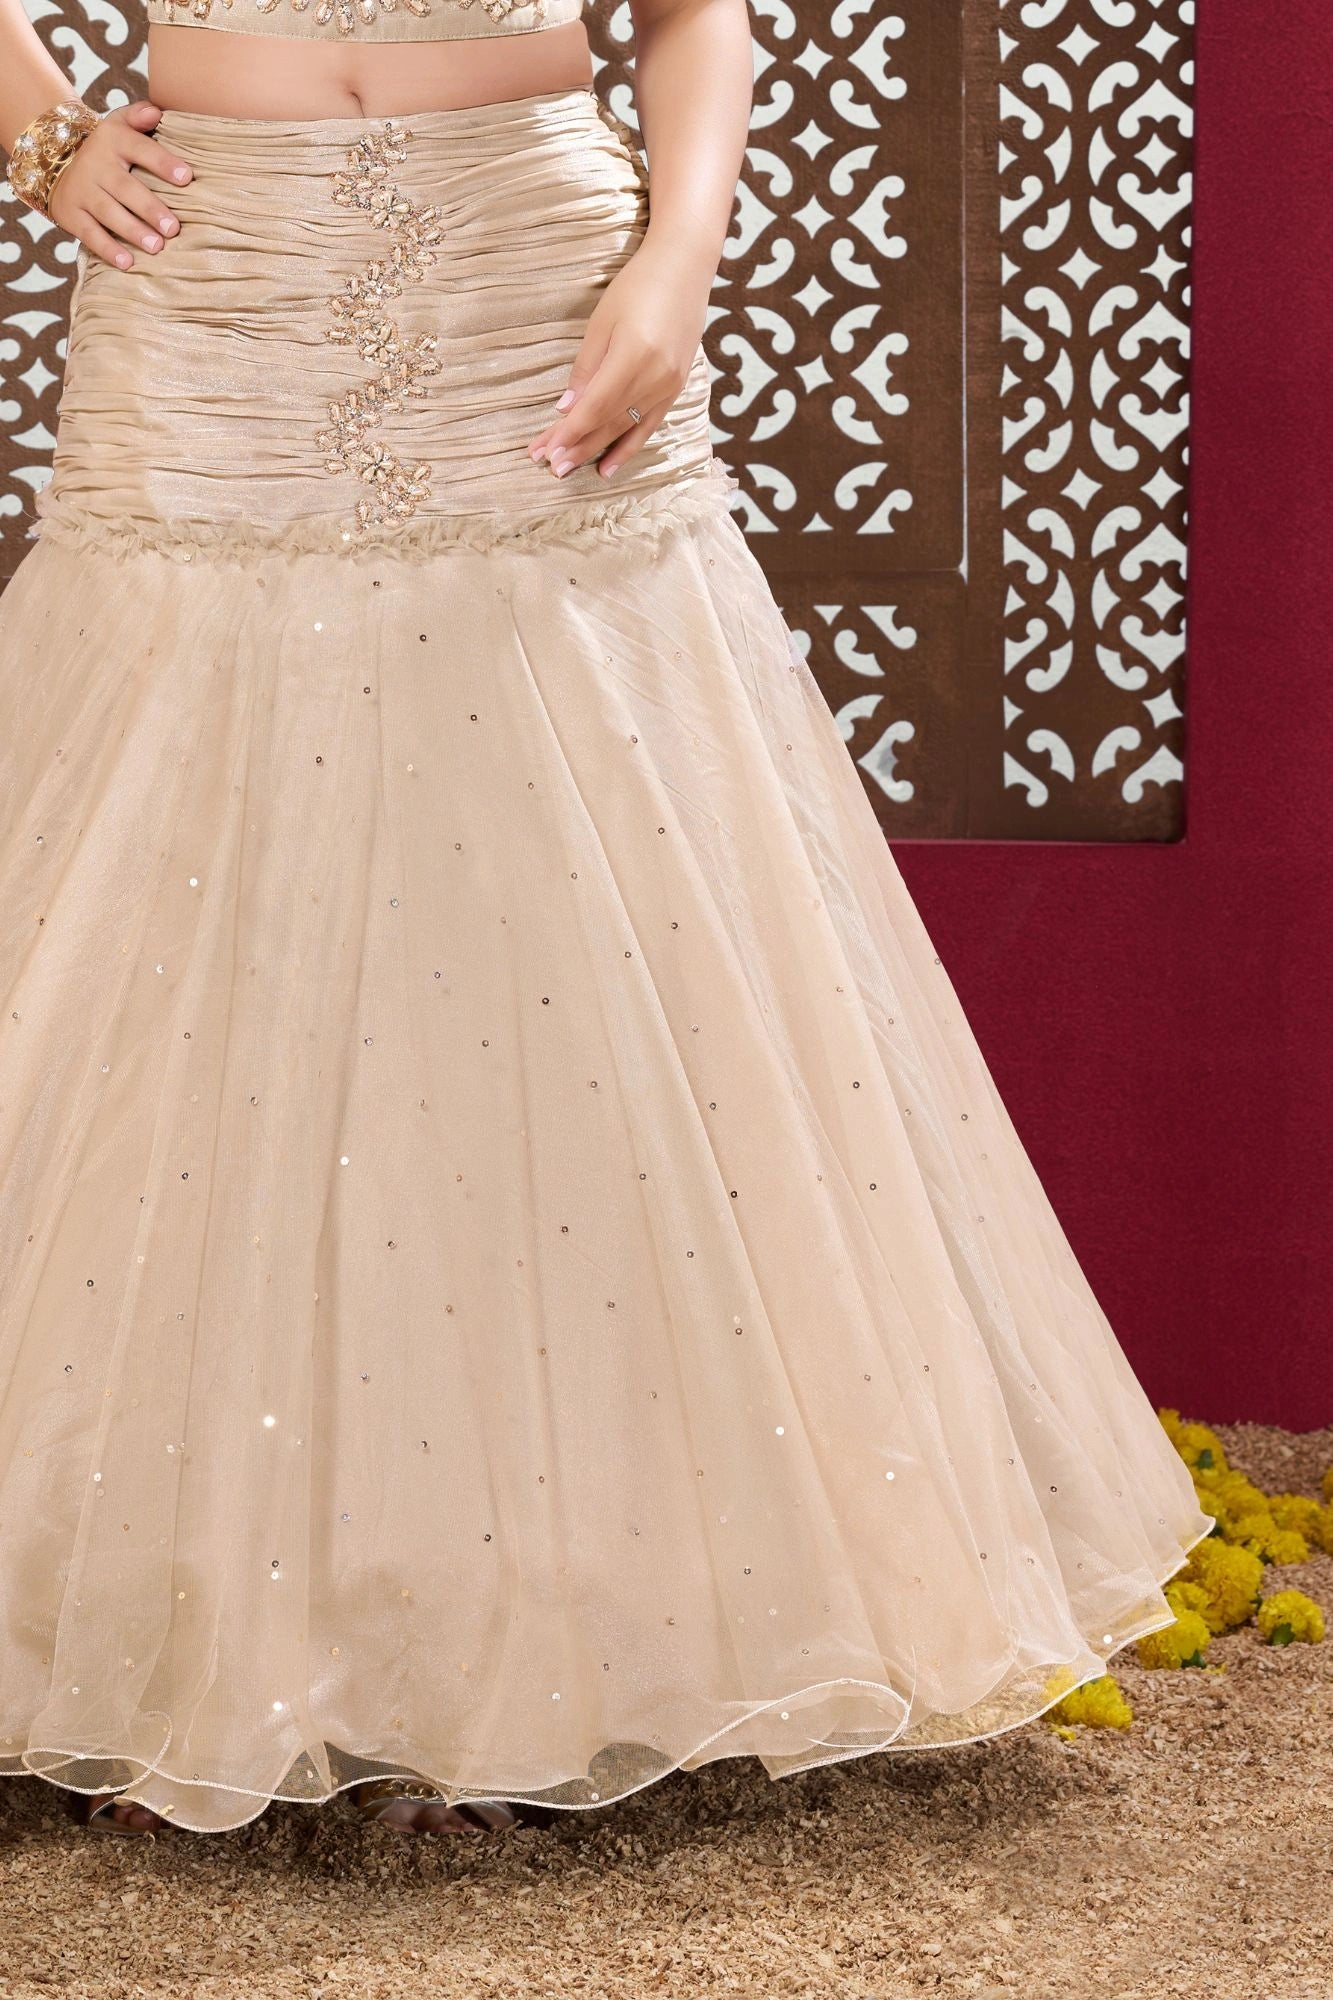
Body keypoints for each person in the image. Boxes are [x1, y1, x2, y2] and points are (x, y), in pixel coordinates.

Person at [0, 0, 1211, 1842]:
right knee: (164, 924)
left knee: (561, 926)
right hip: (216, 274)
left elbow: (693, 13)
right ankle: (158, 1612)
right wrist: (40, 134)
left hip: (532, 275)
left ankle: (583, 1608)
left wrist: (677, 261)